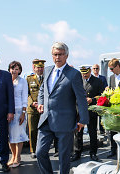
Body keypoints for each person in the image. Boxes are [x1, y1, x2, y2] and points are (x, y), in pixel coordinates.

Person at [36, 42, 89, 174]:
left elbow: (81, 98)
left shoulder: (74, 74)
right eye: (55, 54)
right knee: (40, 152)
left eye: (60, 54)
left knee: (64, 157)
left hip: (65, 121)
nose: (57, 57)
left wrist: (83, 119)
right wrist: (41, 102)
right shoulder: (47, 70)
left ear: (66, 55)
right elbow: (42, 90)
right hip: (46, 119)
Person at [71, 65, 103, 162]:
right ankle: (77, 152)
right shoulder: (78, 80)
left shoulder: (97, 81)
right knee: (78, 133)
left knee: (92, 133)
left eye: (86, 72)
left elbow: (101, 96)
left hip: (91, 110)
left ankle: (93, 153)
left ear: (90, 71)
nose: (84, 74)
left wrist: (92, 100)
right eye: (83, 73)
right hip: (79, 110)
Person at [7, 61, 29, 168]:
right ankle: (13, 156)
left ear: (20, 70)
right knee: (10, 136)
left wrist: (23, 113)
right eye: (12, 68)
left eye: (16, 69)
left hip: (19, 110)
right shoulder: (6, 81)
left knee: (19, 136)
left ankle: (18, 157)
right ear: (9, 69)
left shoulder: (23, 82)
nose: (14, 71)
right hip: (8, 111)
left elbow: (25, 97)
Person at [26, 59, 46, 159]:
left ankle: (41, 149)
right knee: (33, 130)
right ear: (34, 68)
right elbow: (27, 94)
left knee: (44, 130)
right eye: (38, 67)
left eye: (41, 67)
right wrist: (32, 103)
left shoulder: (47, 78)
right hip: (33, 109)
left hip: (44, 109)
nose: (40, 69)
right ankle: (33, 150)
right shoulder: (29, 79)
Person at [92, 64, 107, 135]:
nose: (95, 70)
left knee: (101, 115)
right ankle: (93, 129)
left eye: (97, 68)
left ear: (99, 69)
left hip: (101, 99)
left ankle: (102, 130)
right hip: (93, 99)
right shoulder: (90, 78)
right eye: (94, 68)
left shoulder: (103, 78)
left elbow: (105, 87)